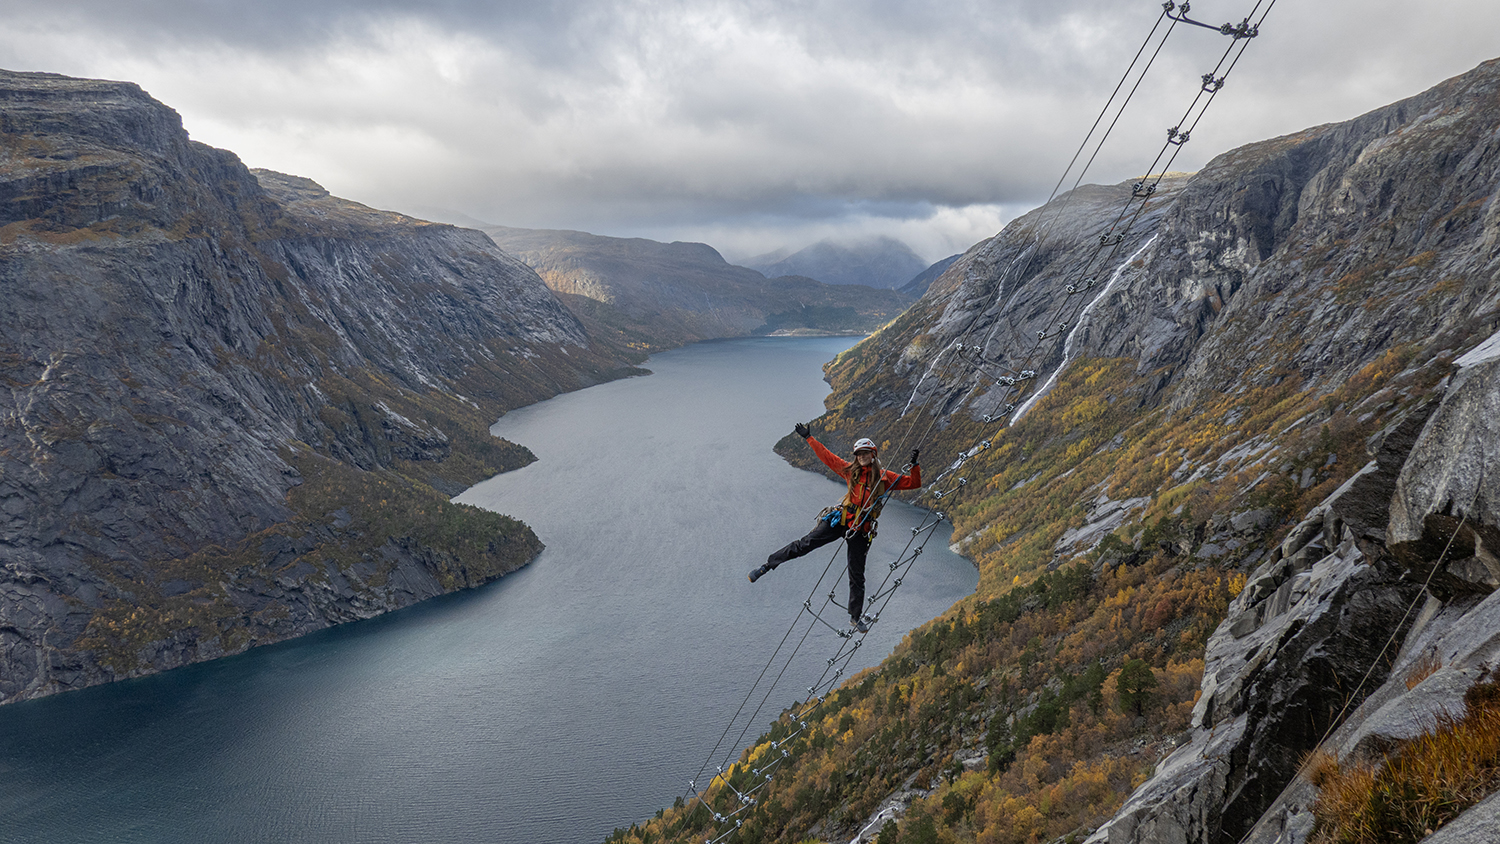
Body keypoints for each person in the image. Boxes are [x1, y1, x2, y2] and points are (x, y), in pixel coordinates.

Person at [749, 423, 921, 633]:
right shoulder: (851, 472)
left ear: (873, 454)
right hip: (842, 520)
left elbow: (913, 483)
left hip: (861, 529)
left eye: (865, 453)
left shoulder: (885, 477)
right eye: (858, 454)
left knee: (856, 574)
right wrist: (809, 438)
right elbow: (828, 458)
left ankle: (855, 617)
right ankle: (768, 565)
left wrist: (914, 465)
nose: (861, 457)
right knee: (806, 544)